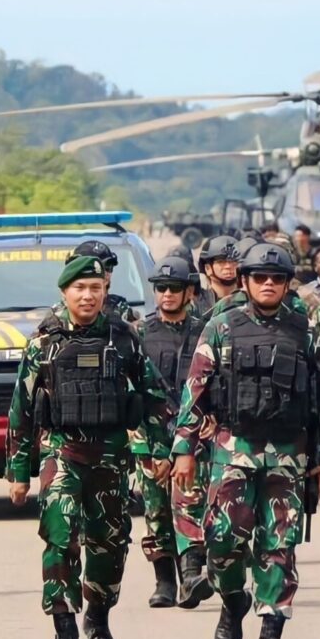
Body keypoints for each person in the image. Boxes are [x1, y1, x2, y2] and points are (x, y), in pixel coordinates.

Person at [171, 243, 320, 639]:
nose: (267, 284)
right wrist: (184, 450)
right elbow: (195, 393)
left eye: (276, 279)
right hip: (233, 451)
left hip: (287, 456)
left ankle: (271, 635)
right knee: (223, 542)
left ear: (285, 284)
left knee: (279, 545)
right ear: (244, 281)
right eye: (259, 277)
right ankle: (232, 599)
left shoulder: (304, 330)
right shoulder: (221, 327)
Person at [6, 255, 174, 639]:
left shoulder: (124, 338)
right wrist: (17, 472)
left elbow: (154, 397)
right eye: (79, 289)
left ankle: (98, 617)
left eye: (95, 289)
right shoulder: (43, 342)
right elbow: (21, 410)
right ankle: (64, 628)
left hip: (112, 455)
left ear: (104, 292)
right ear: (64, 292)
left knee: (109, 545)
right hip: (62, 453)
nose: (87, 296)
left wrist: (160, 450)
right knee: (59, 540)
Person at [132, 257, 211, 609]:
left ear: (189, 292)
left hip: (193, 436)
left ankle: (190, 577)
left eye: (174, 288)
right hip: (150, 439)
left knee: (191, 505)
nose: (166, 294)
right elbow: (129, 394)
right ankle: (164, 581)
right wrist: (148, 448)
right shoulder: (139, 334)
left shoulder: (206, 331)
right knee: (156, 512)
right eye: (161, 288)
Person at [74, 240, 140, 323]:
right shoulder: (57, 318)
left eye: (108, 267)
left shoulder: (121, 310)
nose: (106, 273)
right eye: (97, 268)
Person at [194, 235, 240, 317]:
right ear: (208, 268)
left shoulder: (251, 302)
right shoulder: (195, 304)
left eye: (234, 261)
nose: (228, 266)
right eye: (221, 261)